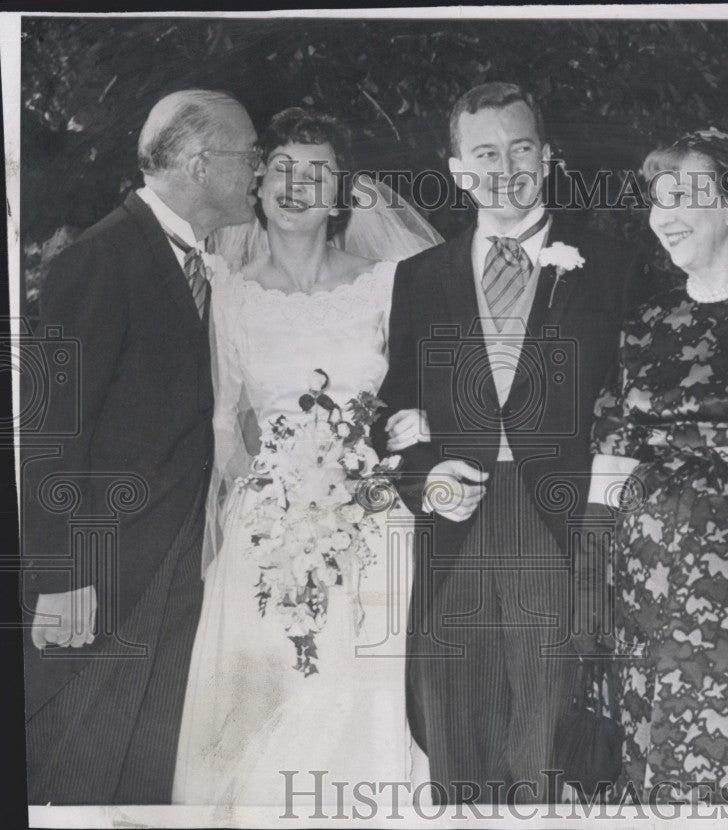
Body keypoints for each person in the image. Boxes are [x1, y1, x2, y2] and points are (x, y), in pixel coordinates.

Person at [374, 81, 642, 804]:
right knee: (455, 736)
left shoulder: (614, 267)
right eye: (484, 152)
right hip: (454, 525)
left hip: (557, 523)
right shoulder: (420, 278)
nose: (505, 167)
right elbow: (392, 409)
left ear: (548, 156)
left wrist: (603, 516)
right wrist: (427, 477)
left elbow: (634, 400)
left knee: (546, 741)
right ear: (458, 169)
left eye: (521, 147)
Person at [171, 107, 441, 807]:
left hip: (373, 528)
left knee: (357, 699)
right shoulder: (229, 294)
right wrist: (265, 508)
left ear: (341, 192)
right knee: (266, 708)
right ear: (257, 184)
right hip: (266, 533)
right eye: (284, 169)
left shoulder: (388, 284)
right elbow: (224, 425)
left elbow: (419, 402)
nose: (297, 185)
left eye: (317, 172)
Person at [21, 89, 260, 803]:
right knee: (81, 771)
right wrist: (59, 580)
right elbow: (46, 432)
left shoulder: (210, 261)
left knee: (148, 776)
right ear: (199, 162)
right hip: (106, 579)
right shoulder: (96, 259)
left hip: (179, 566)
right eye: (250, 153)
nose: (260, 168)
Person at [588, 130, 728, 804]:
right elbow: (613, 439)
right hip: (644, 569)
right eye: (657, 199)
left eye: (684, 195)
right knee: (647, 737)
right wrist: (594, 559)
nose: (664, 215)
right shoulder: (644, 321)